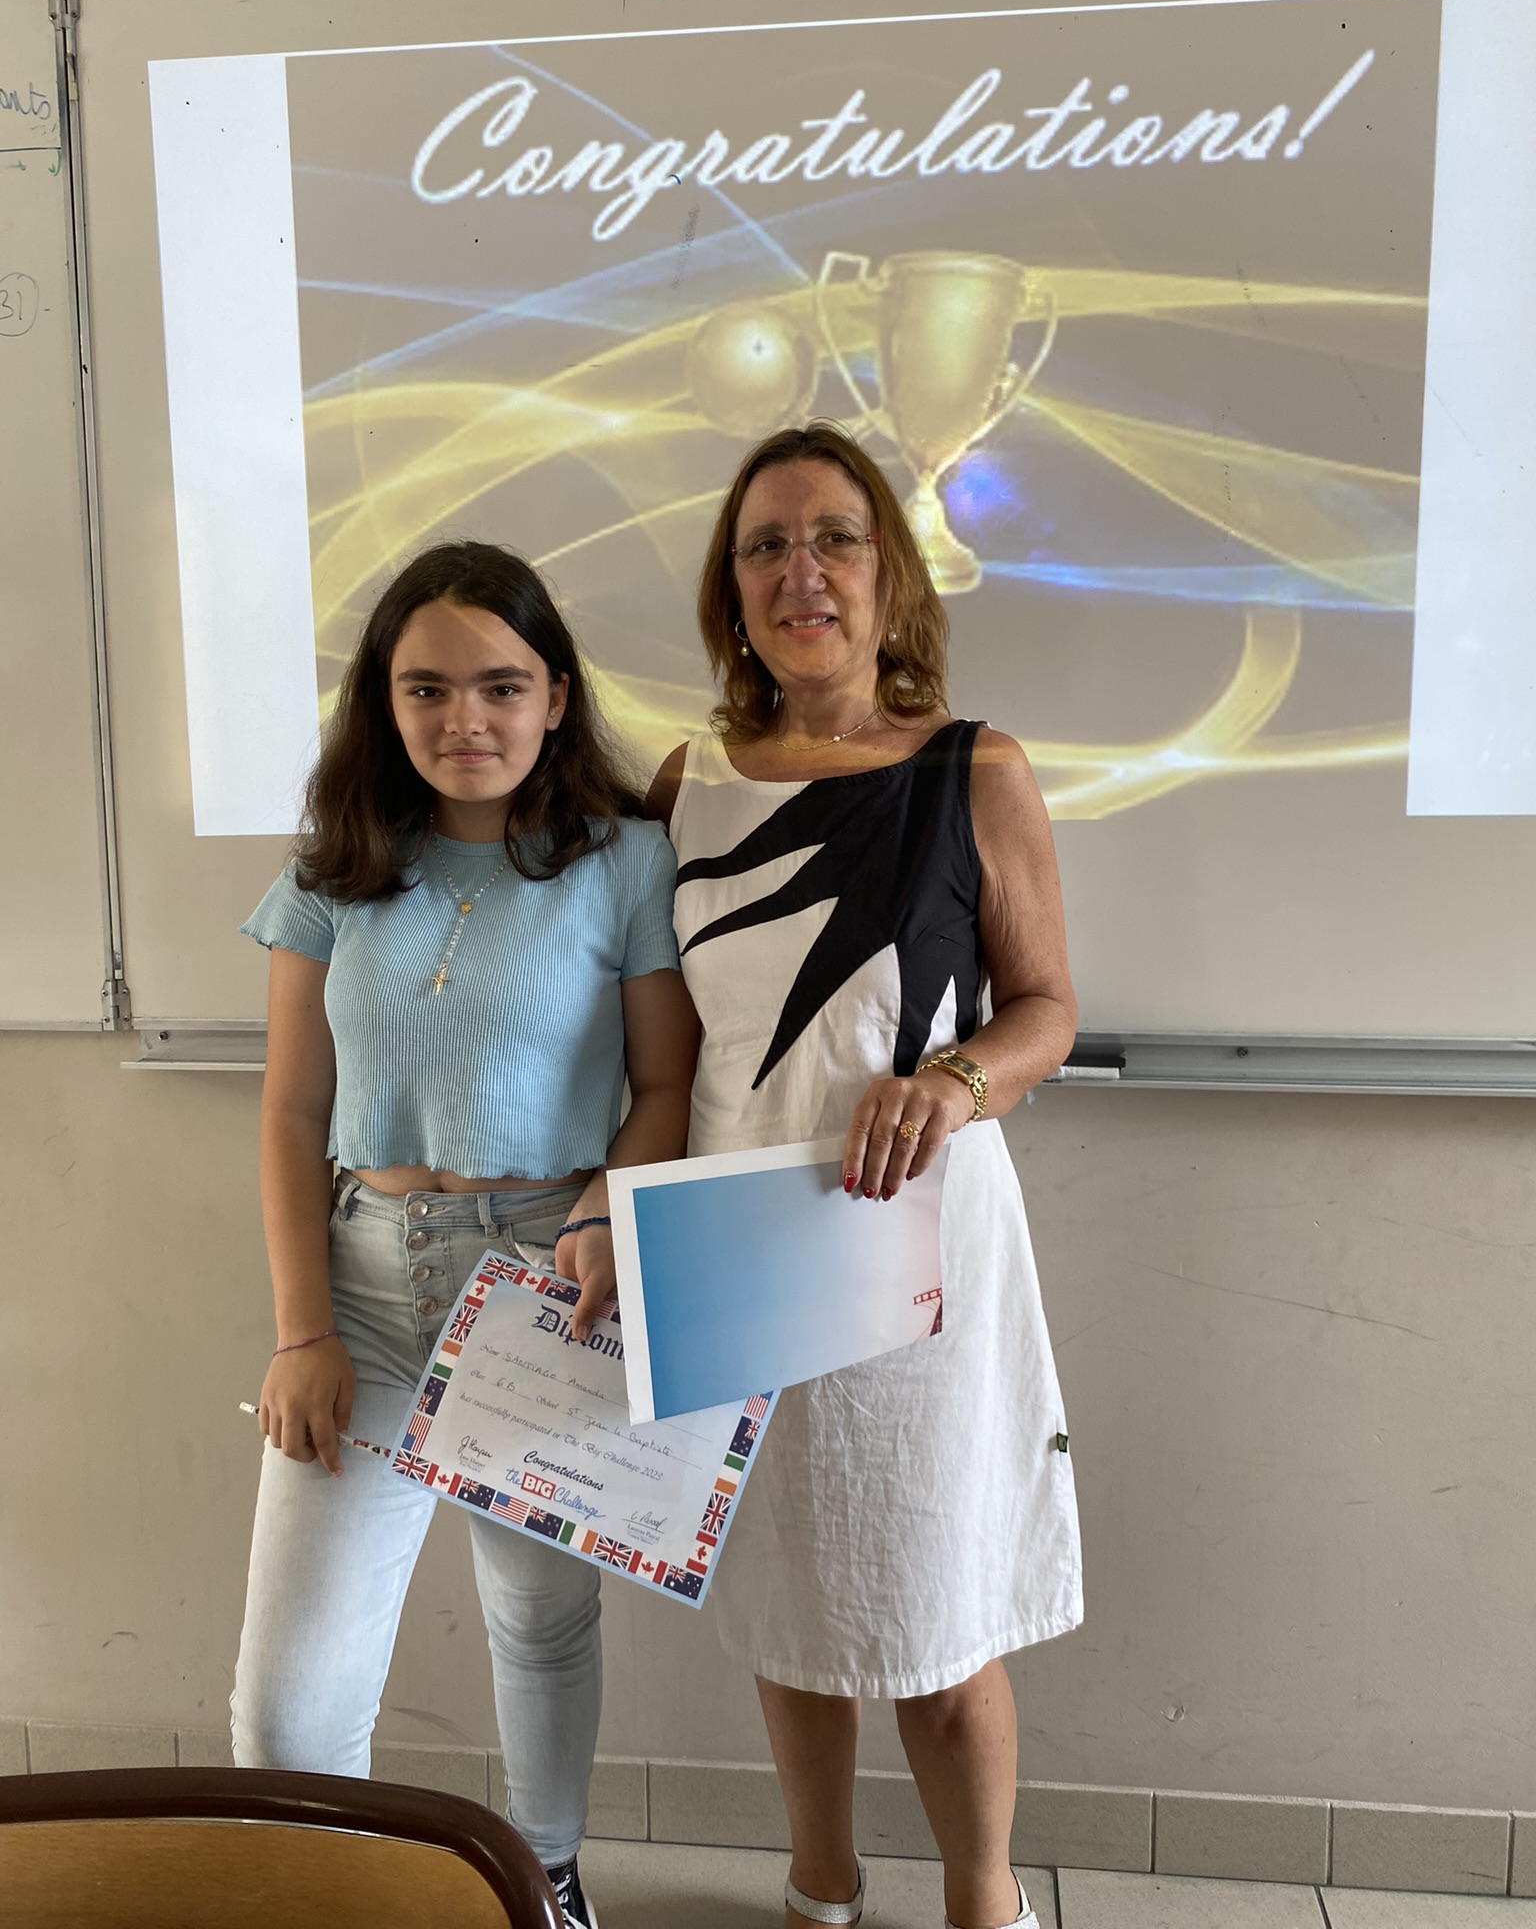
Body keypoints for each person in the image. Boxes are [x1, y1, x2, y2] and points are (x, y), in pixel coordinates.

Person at [648, 424, 1082, 1929]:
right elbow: (660, 1040)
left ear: (890, 572)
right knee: (791, 1594)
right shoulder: (684, 783)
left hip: (922, 1249)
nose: (802, 572)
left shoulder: (976, 767)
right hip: (738, 1237)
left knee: (939, 1610)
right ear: (733, 589)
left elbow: (1047, 1010)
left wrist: (954, 1080)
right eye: (765, 546)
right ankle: (819, 1886)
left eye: (835, 537)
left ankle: (982, 1900)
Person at [232, 541, 697, 1929]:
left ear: (555, 696)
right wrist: (301, 1331)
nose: (464, 720)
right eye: (425, 689)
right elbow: (288, 1111)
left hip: (547, 1280)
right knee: (288, 1706)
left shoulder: (624, 862)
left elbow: (664, 1083)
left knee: (539, 1621)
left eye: (501, 686)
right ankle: (331, 1895)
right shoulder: (333, 869)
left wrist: (606, 1204)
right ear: (384, 703)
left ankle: (544, 1878)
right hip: (365, 1287)